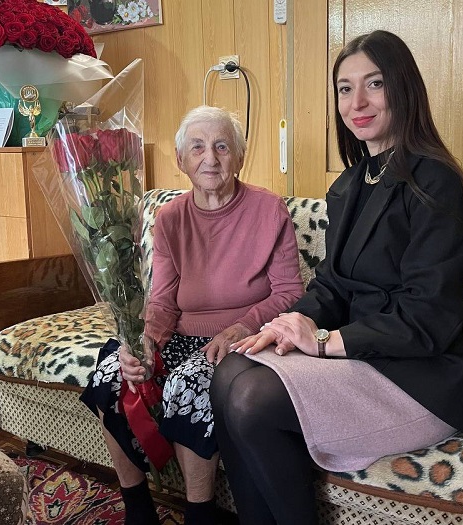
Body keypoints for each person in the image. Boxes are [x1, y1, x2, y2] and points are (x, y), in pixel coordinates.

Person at [210, 30, 463, 525]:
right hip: (364, 356)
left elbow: (427, 317)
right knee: (230, 371)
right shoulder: (350, 184)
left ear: (403, 88)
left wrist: (323, 342)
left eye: (374, 84)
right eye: (344, 88)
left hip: (427, 376)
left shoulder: (438, 183)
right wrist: (286, 324)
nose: (356, 102)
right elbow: (333, 286)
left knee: (253, 398)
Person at [81, 105, 304, 525]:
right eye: (198, 147)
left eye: (222, 146)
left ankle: (200, 516)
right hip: (182, 334)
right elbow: (163, 300)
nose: (210, 158)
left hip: (244, 340)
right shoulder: (169, 218)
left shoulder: (268, 210)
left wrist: (242, 326)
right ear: (181, 159)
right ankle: (138, 509)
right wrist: (145, 341)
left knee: (187, 384)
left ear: (240, 156)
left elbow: (290, 292)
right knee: (113, 372)